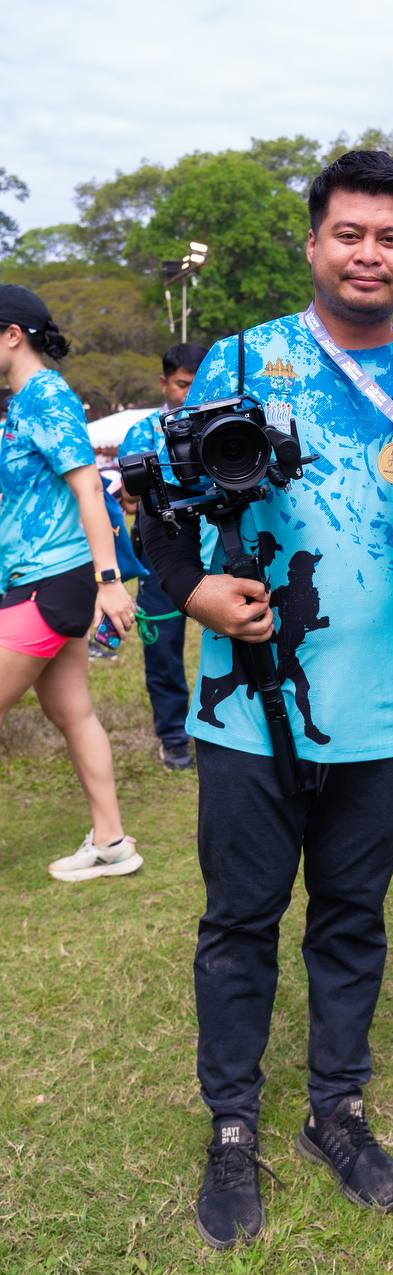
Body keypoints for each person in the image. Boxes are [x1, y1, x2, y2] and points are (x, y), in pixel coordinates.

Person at [139, 150, 393, 1250]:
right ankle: (232, 1124)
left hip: (380, 712)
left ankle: (338, 1108)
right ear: (314, 243)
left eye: (391, 238)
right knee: (239, 920)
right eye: (349, 233)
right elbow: (154, 502)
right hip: (247, 706)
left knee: (352, 916)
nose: (369, 254)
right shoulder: (241, 359)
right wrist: (192, 592)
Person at [0, 285, 141, 881]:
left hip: (51, 581)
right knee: (72, 711)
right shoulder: (19, 403)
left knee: (71, 711)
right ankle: (111, 843)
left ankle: (111, 841)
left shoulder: (47, 396)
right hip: (34, 579)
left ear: (12, 335)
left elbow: (89, 489)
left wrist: (109, 581)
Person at [118, 342, 210, 768]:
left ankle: (226, 727)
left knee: (235, 639)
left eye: (198, 384)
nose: (190, 394)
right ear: (164, 383)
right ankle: (173, 736)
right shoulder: (142, 432)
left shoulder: (226, 424)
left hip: (223, 551)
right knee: (164, 650)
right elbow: (130, 497)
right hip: (161, 557)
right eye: (182, 384)